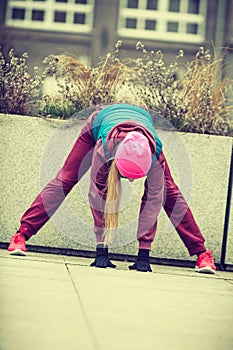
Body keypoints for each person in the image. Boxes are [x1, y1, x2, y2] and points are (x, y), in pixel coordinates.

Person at [8, 103, 216, 274]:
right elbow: (97, 196)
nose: (131, 181)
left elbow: (152, 202)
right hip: (99, 124)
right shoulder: (104, 150)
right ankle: (21, 236)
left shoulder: (155, 156)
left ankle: (202, 254)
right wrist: (102, 251)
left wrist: (144, 253)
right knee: (66, 179)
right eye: (127, 176)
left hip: (140, 119)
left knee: (168, 192)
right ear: (116, 162)